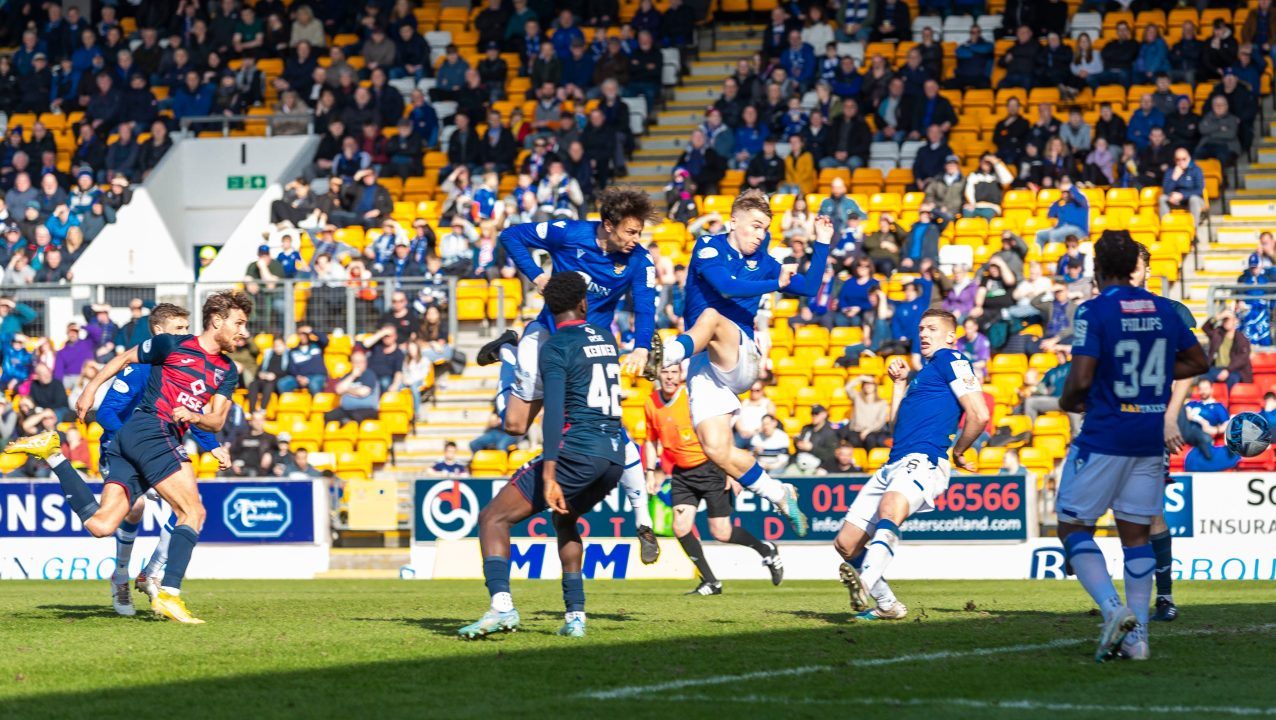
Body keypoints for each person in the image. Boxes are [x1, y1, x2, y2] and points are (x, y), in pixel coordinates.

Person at [7, 291, 252, 625]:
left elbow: (217, 420)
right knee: (192, 510)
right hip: (152, 431)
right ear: (217, 320)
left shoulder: (228, 371)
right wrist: (90, 389)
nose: (245, 332)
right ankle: (166, 591)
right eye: (239, 323)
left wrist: (198, 423)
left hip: (140, 437)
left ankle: (53, 454)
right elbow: (123, 359)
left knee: (101, 524)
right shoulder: (171, 346)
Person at [478, 187, 662, 563]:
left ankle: (643, 520)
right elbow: (511, 236)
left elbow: (645, 309)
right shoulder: (570, 233)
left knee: (606, 424)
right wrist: (537, 277)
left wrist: (641, 346)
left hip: (591, 346)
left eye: (639, 232)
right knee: (514, 426)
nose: (636, 240)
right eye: (630, 232)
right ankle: (510, 350)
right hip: (548, 334)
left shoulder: (639, 262)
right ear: (608, 226)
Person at [1055, 231, 1207, 662]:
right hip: (1146, 439)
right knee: (1136, 534)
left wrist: (1070, 401)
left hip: (1104, 435)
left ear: (1099, 270)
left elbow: (1081, 379)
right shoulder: (1164, 309)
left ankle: (1112, 610)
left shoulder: (1094, 310)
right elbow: (1199, 361)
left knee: (1072, 527)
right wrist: (1152, 376)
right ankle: (1138, 638)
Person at [651, 190, 833, 536]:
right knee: (717, 450)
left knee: (711, 316)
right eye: (755, 226)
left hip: (741, 356)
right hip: (706, 367)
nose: (760, 235)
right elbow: (727, 286)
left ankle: (666, 355)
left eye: (765, 228)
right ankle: (779, 493)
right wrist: (774, 282)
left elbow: (809, 287)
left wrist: (822, 242)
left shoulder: (764, 263)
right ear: (733, 221)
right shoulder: (709, 247)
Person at [458, 273, 628, 639]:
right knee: (564, 519)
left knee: (493, 518)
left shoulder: (556, 346)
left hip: (576, 452)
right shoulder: (607, 338)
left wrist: (550, 471)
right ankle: (575, 617)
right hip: (614, 456)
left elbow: (552, 414)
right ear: (583, 303)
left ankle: (501, 607)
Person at [834, 309, 989, 621]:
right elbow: (896, 426)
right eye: (921, 329)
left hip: (925, 459)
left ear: (950, 335)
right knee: (846, 544)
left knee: (892, 508)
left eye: (932, 328)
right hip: (895, 462)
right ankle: (888, 605)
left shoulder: (952, 360)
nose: (923, 334)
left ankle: (863, 584)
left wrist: (959, 451)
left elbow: (979, 414)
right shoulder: (924, 374)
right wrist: (899, 384)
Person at [78, 303, 229, 614]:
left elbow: (185, 415)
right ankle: (120, 576)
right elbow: (106, 412)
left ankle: (151, 572)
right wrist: (136, 437)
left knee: (187, 505)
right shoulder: (140, 368)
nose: (185, 335)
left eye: (187, 329)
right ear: (159, 333)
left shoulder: (182, 367)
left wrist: (212, 445)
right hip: (123, 447)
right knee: (135, 507)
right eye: (178, 329)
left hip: (159, 446)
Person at [645, 364, 782, 596]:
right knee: (680, 527)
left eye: (673, 372)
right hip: (682, 472)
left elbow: (720, 433)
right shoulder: (651, 403)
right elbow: (650, 439)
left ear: (680, 375)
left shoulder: (691, 398)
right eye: (665, 372)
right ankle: (710, 581)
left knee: (721, 532)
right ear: (659, 374)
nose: (669, 377)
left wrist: (731, 469)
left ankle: (765, 549)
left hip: (711, 467)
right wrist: (649, 471)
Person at [1201, 310, 1252, 389]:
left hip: (1234, 370)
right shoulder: (1217, 333)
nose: (1226, 321)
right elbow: (1205, 328)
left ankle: (1226, 400)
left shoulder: (1241, 339)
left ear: (1235, 321)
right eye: (1224, 319)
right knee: (1203, 377)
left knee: (1232, 379)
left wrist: (1227, 370)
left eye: (1228, 319)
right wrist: (1218, 317)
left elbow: (1242, 359)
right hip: (1216, 368)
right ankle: (1209, 400)